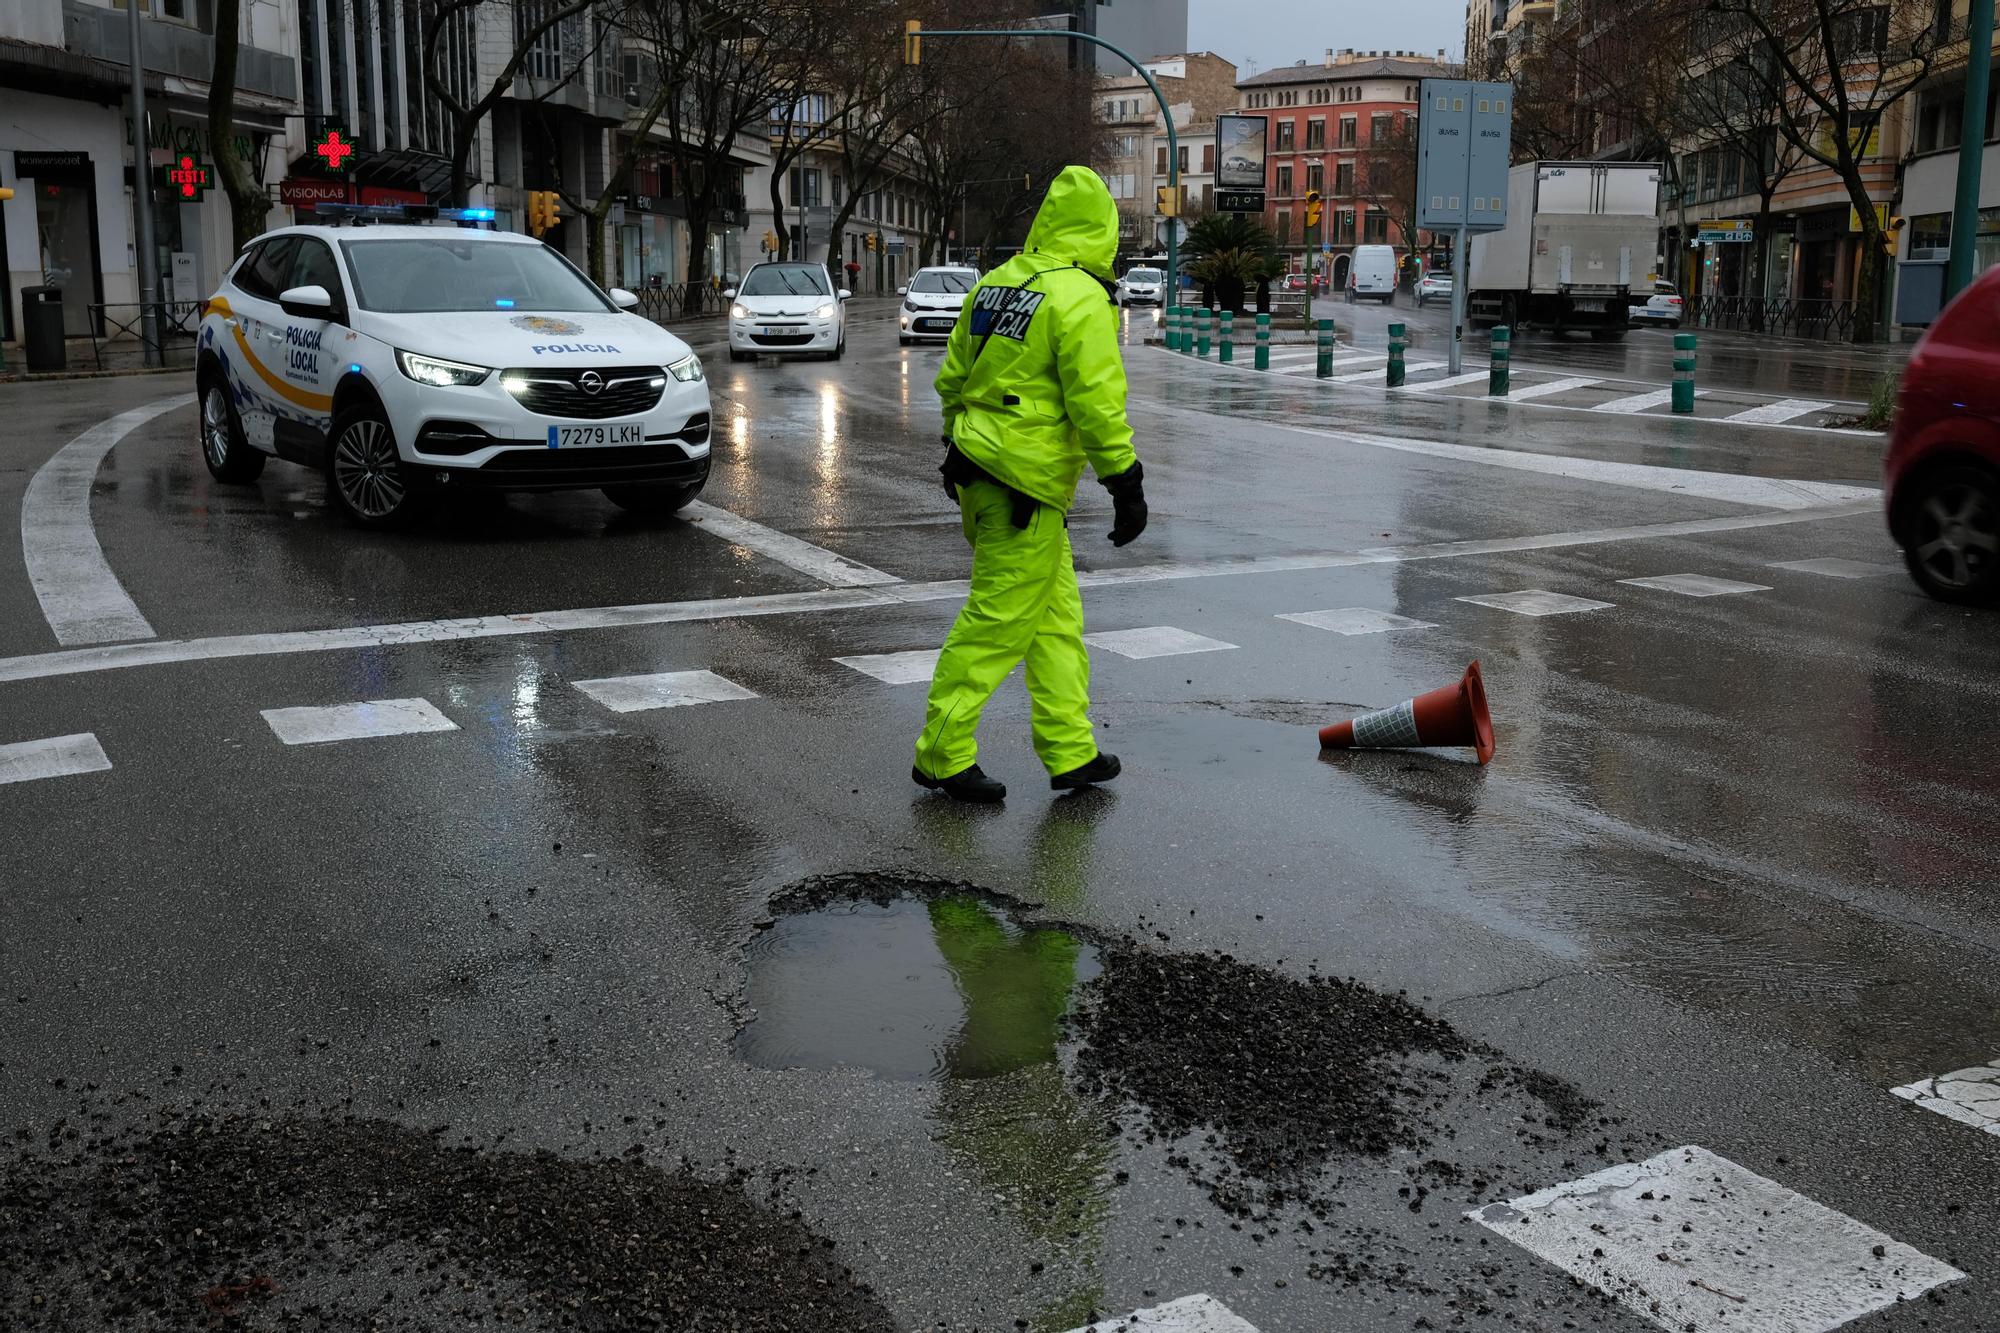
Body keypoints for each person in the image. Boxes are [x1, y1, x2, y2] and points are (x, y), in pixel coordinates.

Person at [912, 166, 1147, 804]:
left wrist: (955, 446)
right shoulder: (1080, 298)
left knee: (1053, 622)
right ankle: (941, 752)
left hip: (982, 471)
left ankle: (1071, 752)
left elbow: (952, 378)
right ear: (1102, 231)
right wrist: (1124, 480)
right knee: (997, 623)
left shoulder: (999, 283)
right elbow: (1097, 401)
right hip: (1024, 484)